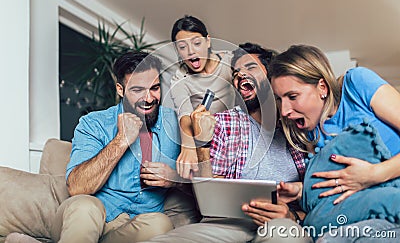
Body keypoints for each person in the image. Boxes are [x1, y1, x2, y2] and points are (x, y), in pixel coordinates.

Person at [140, 43, 311, 243]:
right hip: (230, 222)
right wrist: (202, 143)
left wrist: (295, 217)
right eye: (236, 73)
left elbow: (315, 195)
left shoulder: (298, 122)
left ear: (272, 75)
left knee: (282, 236)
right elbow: (208, 196)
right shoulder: (224, 122)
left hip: (281, 219)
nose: (240, 76)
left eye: (250, 67)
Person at [269, 44, 400, 242]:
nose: (285, 110)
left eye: (292, 96)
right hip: (360, 215)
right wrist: (300, 192)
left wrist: (373, 174)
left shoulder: (356, 84)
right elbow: (334, 194)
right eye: (279, 99)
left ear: (322, 87)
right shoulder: (304, 132)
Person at [53, 51, 185, 243]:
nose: (148, 98)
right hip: (89, 217)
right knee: (85, 207)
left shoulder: (175, 124)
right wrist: (121, 140)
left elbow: (206, 179)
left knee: (160, 224)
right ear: (120, 90)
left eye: (155, 88)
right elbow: (76, 187)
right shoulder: (93, 123)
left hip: (134, 226)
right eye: (138, 90)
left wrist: (175, 179)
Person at [169, 15, 236, 179]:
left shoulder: (231, 60)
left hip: (234, 135)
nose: (191, 51)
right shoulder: (180, 78)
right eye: (182, 47)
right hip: (205, 143)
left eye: (197, 43)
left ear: (208, 41)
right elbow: (184, 112)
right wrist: (188, 147)